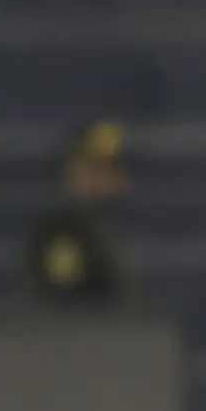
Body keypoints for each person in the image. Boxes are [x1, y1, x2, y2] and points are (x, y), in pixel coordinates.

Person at [24, 120, 135, 307]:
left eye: (113, 168)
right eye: (96, 169)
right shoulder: (57, 232)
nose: (106, 179)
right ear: (71, 172)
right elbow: (61, 305)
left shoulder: (110, 228)